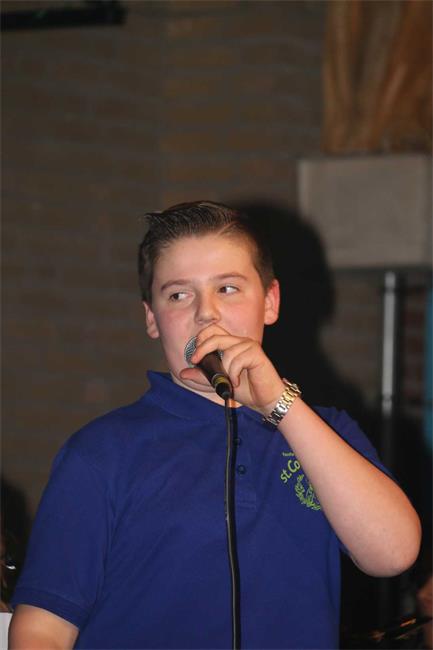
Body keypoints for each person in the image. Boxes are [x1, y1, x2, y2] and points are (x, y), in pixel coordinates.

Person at [9, 201, 421, 649]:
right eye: (178, 295)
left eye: (227, 288)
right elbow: (41, 630)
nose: (206, 313)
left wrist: (279, 404)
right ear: (152, 318)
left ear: (270, 302)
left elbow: (393, 553)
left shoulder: (324, 431)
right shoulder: (102, 452)